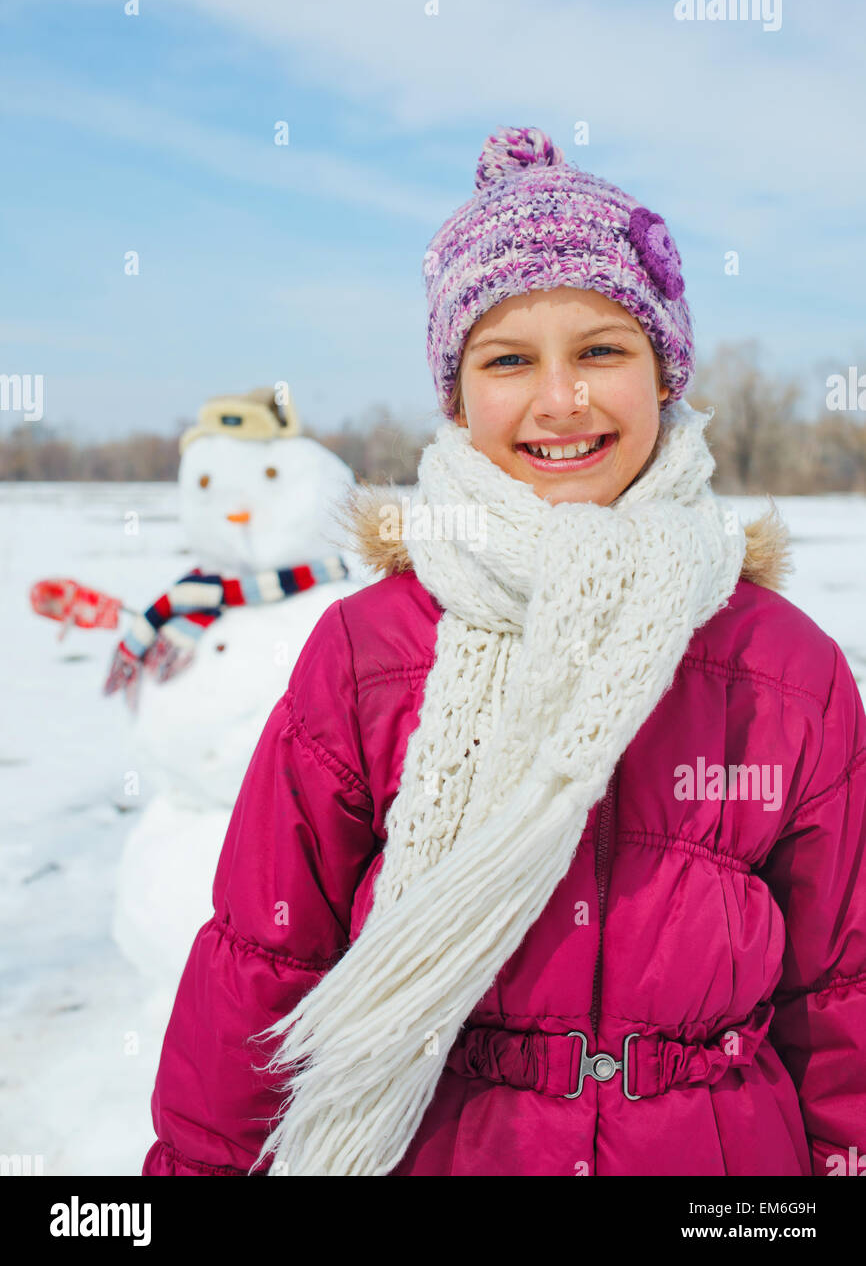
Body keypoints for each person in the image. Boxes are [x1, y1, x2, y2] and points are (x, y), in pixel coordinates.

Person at [142, 126, 866, 1177]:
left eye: (601, 350)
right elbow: (262, 961)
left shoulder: (783, 670)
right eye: (509, 358)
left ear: (663, 374)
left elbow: (838, 992)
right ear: (456, 393)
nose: (558, 399)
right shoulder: (369, 651)